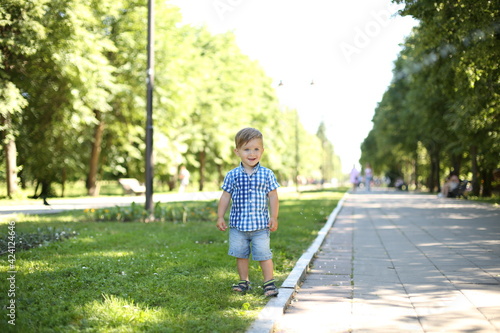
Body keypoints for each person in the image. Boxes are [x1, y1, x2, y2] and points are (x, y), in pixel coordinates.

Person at [216, 128, 280, 297]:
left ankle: (269, 283)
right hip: (238, 226)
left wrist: (274, 217)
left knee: (264, 255)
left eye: (256, 149)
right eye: (246, 149)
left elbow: (273, 196)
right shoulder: (232, 175)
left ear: (262, 151)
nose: (252, 153)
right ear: (237, 151)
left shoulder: (267, 174)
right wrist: (220, 216)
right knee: (241, 254)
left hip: (260, 225)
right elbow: (225, 196)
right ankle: (244, 281)